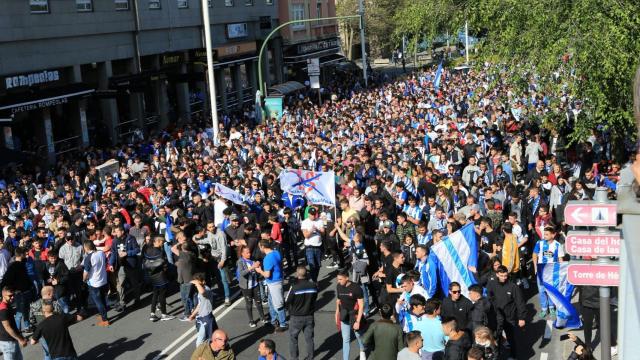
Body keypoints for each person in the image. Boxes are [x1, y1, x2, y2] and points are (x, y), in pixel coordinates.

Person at [485, 266, 526, 359]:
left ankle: (513, 355)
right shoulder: (491, 284)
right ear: (497, 274)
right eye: (501, 275)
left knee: (511, 338)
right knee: (496, 338)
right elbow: (488, 298)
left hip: (509, 317)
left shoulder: (513, 287)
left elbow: (520, 303)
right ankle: (497, 355)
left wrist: (522, 318)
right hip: (496, 317)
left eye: (505, 275)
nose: (504, 278)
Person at [285, 266, 317, 360]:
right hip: (309, 315)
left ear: (297, 273)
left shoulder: (294, 287)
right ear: (306, 273)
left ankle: (295, 358)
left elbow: (287, 301)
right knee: (309, 339)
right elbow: (314, 298)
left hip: (296, 317)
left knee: (293, 338)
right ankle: (310, 357)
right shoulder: (313, 285)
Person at [532, 226, 565, 318]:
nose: (544, 236)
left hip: (551, 272)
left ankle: (551, 307)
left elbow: (560, 259)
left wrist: (562, 272)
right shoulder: (539, 243)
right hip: (541, 271)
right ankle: (544, 309)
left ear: (553, 235)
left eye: (547, 234)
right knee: (542, 291)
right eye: (544, 234)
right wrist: (535, 266)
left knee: (551, 291)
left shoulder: (558, 245)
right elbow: (534, 254)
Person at [255, 240, 287, 332]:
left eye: (259, 247)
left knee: (278, 304)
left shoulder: (267, 258)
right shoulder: (276, 252)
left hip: (273, 283)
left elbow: (267, 275)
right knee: (271, 301)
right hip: (278, 280)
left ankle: (283, 323)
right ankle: (273, 321)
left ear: (262, 247)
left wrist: (259, 270)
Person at [335, 268, 365, 360]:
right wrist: (336, 313)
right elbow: (338, 300)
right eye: (338, 279)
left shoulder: (356, 288)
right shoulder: (338, 286)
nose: (338, 281)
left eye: (340, 279)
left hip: (354, 316)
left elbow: (361, 305)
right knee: (346, 340)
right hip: (344, 316)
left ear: (347, 278)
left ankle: (362, 350)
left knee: (358, 336)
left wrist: (358, 321)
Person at [143, 235, 174, 322]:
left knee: (155, 294)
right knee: (162, 295)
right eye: (161, 241)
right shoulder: (159, 252)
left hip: (151, 275)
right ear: (157, 241)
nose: (162, 243)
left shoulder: (148, 250)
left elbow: (145, 262)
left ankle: (152, 314)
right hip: (160, 276)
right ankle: (164, 314)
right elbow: (164, 263)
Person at [2, 247, 33, 332]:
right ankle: (17, 330)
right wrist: (13, 289)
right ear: (22, 254)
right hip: (20, 293)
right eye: (25, 254)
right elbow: (6, 280)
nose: (26, 256)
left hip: (25, 291)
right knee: (20, 312)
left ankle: (27, 326)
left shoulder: (22, 264)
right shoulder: (14, 266)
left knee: (26, 310)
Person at [237, 245, 266, 327]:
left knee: (259, 301)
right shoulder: (240, 262)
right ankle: (251, 320)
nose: (249, 254)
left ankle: (262, 317)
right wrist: (252, 267)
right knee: (249, 303)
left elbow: (257, 270)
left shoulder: (252, 259)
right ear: (242, 254)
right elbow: (242, 273)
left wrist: (258, 266)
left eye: (249, 252)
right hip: (246, 287)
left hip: (255, 284)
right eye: (247, 253)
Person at [82, 240, 109, 327]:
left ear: (86, 248)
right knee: (103, 299)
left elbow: (85, 272)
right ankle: (103, 315)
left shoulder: (88, 257)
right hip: (103, 280)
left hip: (94, 283)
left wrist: (84, 280)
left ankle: (105, 319)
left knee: (98, 302)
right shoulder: (101, 253)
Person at [189, 273, 218, 346]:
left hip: (207, 319)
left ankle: (200, 355)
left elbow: (202, 292)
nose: (195, 284)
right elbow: (199, 305)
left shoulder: (206, 289)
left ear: (203, 281)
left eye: (197, 282)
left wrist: (196, 283)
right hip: (202, 318)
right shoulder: (200, 290)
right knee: (212, 338)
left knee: (199, 342)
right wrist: (193, 315)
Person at [0, 286, 28, 360]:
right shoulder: (3, 309)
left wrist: (19, 337)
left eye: (13, 295)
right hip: (7, 342)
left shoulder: (7, 305)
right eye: (10, 296)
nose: (12, 297)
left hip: (12, 340)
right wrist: (20, 339)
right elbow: (8, 327)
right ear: (3, 295)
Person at [300, 207, 324, 283]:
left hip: (318, 246)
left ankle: (314, 279)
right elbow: (306, 235)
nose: (313, 216)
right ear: (309, 214)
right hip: (309, 247)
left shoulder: (319, 221)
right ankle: (314, 282)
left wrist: (318, 229)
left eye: (314, 214)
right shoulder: (305, 222)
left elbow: (323, 233)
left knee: (318, 265)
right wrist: (311, 230)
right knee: (312, 265)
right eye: (312, 215)